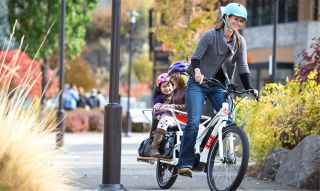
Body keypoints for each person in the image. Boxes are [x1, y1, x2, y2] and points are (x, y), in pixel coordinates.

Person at [177, 3, 257, 176]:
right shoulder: (211, 35)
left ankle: (207, 153)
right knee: (193, 122)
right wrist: (197, 73)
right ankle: (185, 163)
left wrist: (250, 88)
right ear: (226, 18)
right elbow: (196, 58)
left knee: (228, 119)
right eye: (236, 18)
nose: (238, 23)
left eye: (241, 20)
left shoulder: (239, 42)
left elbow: (243, 68)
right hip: (198, 84)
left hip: (218, 86)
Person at [149, 61, 189, 157]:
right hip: (177, 117)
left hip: (185, 118)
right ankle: (154, 144)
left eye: (173, 79)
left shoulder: (188, 90)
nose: (172, 82)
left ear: (180, 78)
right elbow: (169, 103)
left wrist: (172, 107)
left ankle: (154, 147)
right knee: (162, 115)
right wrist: (159, 109)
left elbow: (188, 107)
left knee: (165, 119)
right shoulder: (176, 90)